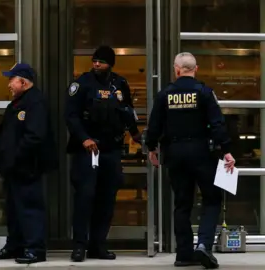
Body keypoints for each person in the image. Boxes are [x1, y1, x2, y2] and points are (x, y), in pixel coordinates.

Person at [146, 52, 236, 269]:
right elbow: (217, 123)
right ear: (195, 69)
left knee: (182, 203)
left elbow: (154, 125)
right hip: (202, 152)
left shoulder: (164, 94)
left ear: (176, 70)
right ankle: (203, 245)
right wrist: (227, 150)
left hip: (175, 153)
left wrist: (151, 148)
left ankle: (183, 254)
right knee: (212, 199)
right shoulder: (205, 92)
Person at [65, 45, 141, 262]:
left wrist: (136, 134)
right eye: (94, 61)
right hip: (88, 150)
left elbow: (127, 111)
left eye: (101, 61)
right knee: (85, 198)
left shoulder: (120, 83)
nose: (96, 64)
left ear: (111, 64)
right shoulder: (81, 84)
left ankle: (98, 245)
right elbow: (71, 116)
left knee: (107, 199)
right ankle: (79, 246)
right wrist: (84, 138)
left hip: (111, 150)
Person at [0, 63, 57, 264]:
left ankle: (35, 249)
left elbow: (34, 137)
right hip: (13, 168)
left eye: (12, 80)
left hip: (27, 167)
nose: (9, 84)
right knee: (14, 209)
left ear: (23, 82)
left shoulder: (35, 102)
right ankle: (14, 246)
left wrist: (16, 157)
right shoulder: (17, 103)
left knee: (30, 208)